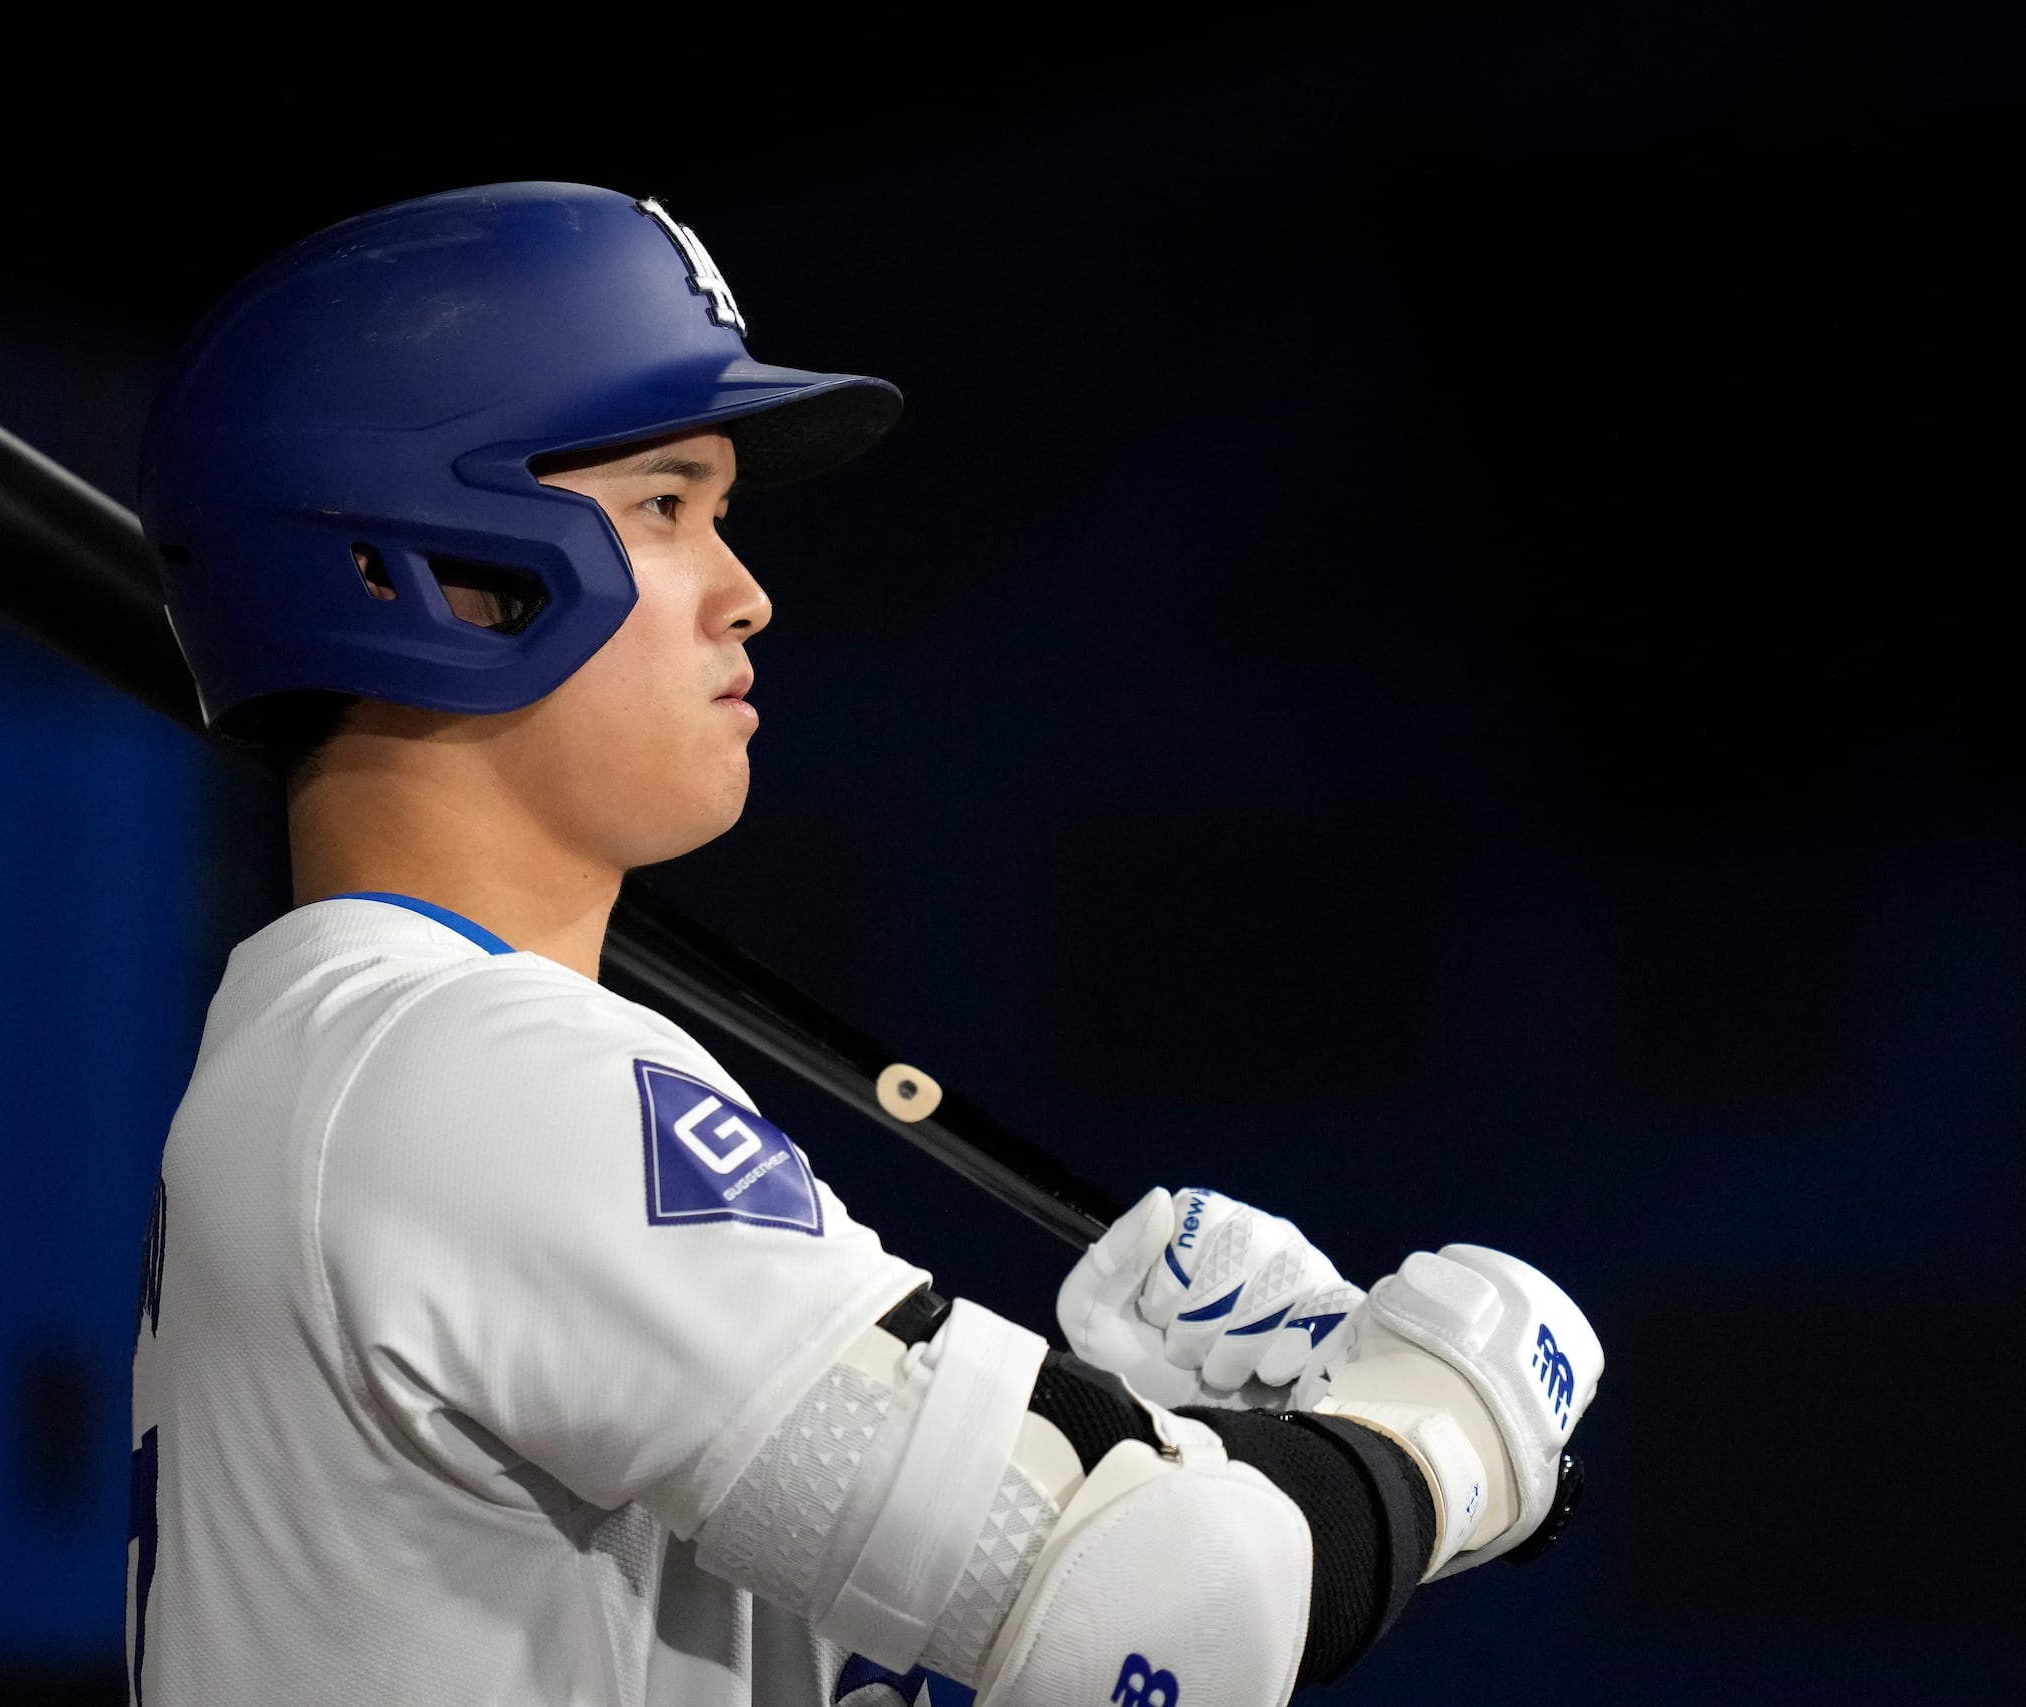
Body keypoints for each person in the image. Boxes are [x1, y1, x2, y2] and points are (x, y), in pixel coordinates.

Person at [125, 181, 1602, 1707]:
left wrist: (1159, 1438)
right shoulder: (471, 1080)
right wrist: (1438, 1437)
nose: (747, 596)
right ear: (403, 565)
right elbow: (1170, 1614)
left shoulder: (368, 1073)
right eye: (663, 506)